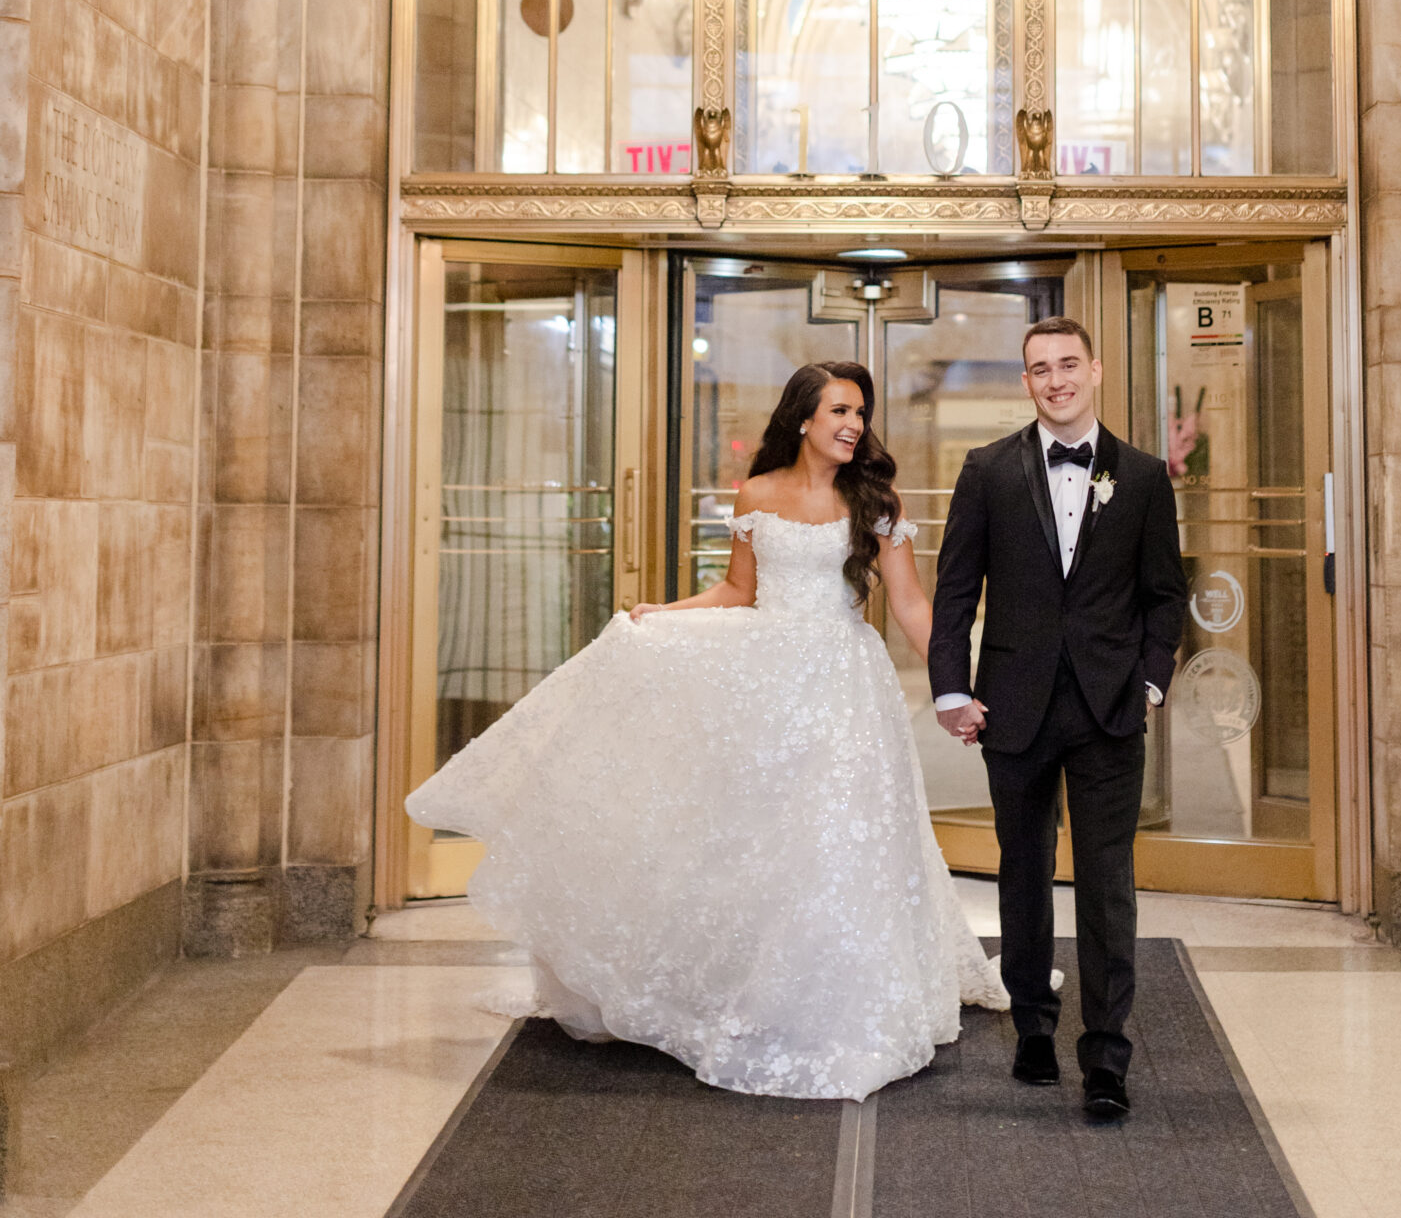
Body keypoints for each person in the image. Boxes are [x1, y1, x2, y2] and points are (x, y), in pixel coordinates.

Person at [407, 360, 1004, 1100]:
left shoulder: (875, 500)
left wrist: (955, 686)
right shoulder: (754, 494)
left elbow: (912, 602)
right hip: (770, 689)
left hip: (846, 687)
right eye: (840, 411)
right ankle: (759, 988)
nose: (854, 424)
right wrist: (664, 617)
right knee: (769, 839)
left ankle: (846, 993)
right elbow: (738, 591)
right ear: (803, 419)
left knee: (841, 834)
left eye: (860, 412)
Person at [928, 316, 1188, 1123]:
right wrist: (949, 689)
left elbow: (1164, 595)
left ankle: (1107, 1054)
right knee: (1023, 871)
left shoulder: (1141, 476)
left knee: (1107, 885)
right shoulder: (987, 470)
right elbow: (955, 590)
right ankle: (1033, 1031)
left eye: (1067, 364)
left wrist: (1148, 684)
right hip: (1015, 704)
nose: (1055, 379)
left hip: (1110, 708)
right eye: (1039, 368)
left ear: (1095, 370)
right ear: (1025, 382)